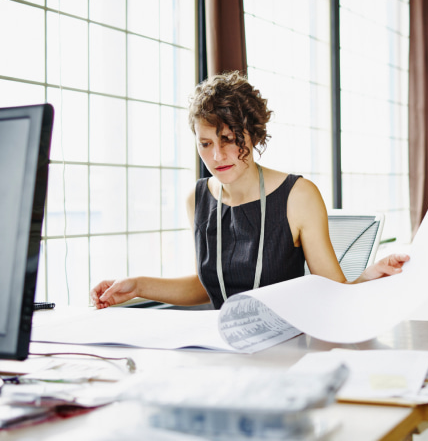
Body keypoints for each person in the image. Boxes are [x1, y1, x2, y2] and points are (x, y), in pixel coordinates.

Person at [91, 71, 409, 310]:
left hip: (288, 347)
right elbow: (210, 285)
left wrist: (370, 276)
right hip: (223, 348)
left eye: (228, 140)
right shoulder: (197, 199)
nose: (216, 156)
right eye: (205, 144)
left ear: (253, 135)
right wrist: (137, 286)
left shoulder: (298, 195)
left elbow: (334, 292)